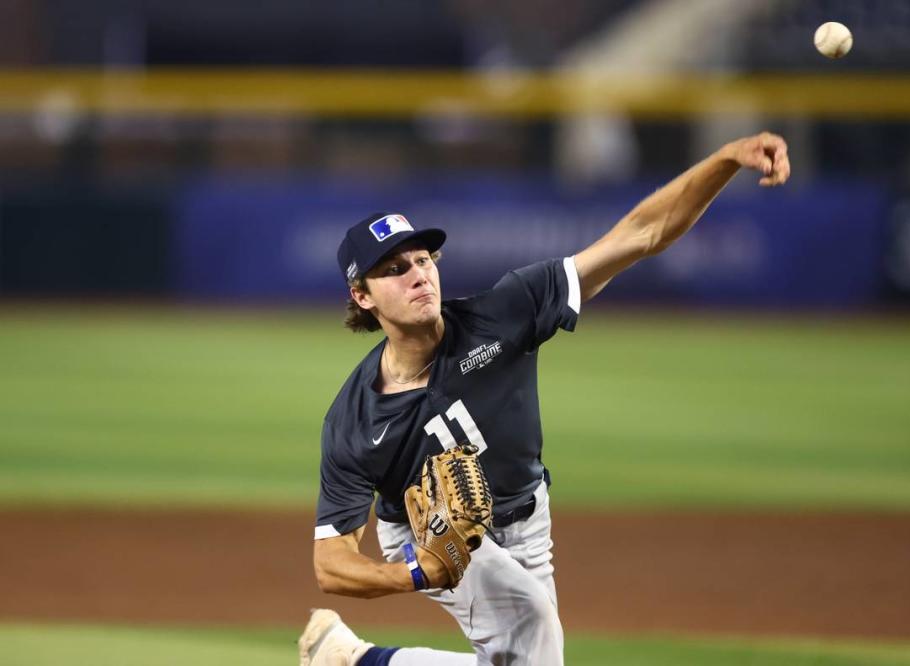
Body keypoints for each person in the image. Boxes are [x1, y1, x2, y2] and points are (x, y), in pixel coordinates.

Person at [300, 132, 791, 666]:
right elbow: (331, 563)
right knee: (534, 628)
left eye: (423, 259)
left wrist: (723, 160)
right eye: (395, 270)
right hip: (436, 535)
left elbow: (643, 233)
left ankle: (353, 659)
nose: (418, 274)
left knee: (520, 658)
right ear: (361, 296)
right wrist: (417, 571)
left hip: (532, 521)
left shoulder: (504, 312)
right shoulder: (353, 418)